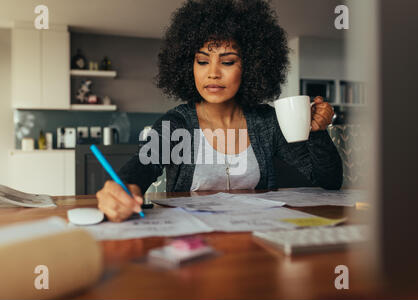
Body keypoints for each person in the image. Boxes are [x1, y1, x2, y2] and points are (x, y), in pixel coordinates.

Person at [96, 0, 342, 222]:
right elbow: (138, 169)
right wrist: (121, 192)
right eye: (202, 61)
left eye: (227, 62)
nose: (213, 72)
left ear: (251, 67)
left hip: (254, 244)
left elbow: (329, 181)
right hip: (190, 244)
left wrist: (318, 132)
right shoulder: (177, 124)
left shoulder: (266, 122)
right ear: (188, 65)